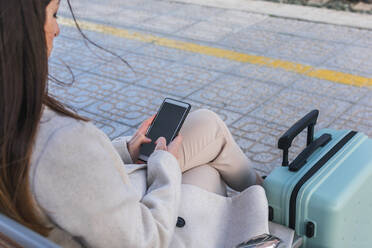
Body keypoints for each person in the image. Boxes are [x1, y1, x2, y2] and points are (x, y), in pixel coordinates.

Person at [0, 0, 294, 247]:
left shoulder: (17, 118)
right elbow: (144, 240)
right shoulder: (61, 139)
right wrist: (165, 168)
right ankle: (274, 208)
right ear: (20, 30)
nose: (57, 29)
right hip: (133, 221)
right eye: (53, 14)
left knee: (206, 126)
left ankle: (266, 202)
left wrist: (126, 150)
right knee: (208, 164)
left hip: (88, 206)